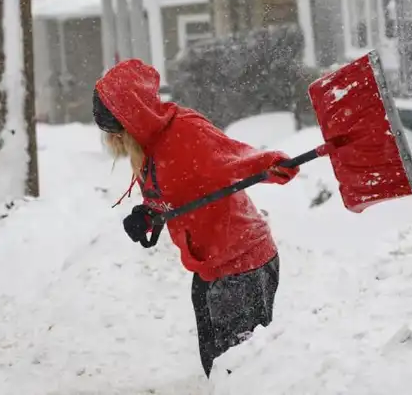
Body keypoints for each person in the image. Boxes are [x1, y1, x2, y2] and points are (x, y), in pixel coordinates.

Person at [92, 59, 300, 377]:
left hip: (243, 266)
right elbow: (178, 193)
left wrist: (273, 163)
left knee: (240, 374)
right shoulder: (150, 148)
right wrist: (149, 215)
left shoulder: (185, 131)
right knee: (217, 367)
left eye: (113, 132)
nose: (110, 141)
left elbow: (235, 157)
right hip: (211, 268)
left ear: (129, 123)